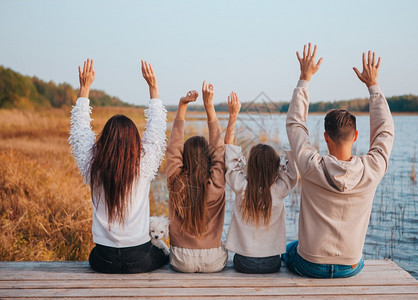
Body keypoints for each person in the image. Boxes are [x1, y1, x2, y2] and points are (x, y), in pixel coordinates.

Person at [283, 43, 394, 278]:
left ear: (325, 137)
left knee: (288, 249)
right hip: (351, 266)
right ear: (355, 136)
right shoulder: (372, 168)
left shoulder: (311, 165)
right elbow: (385, 131)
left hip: (309, 264)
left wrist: (305, 78)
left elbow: (295, 124)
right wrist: (373, 86)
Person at [69, 59, 169, 273]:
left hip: (103, 260)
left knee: (93, 256)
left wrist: (84, 89)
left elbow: (80, 131)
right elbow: (157, 130)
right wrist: (153, 88)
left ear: (104, 140)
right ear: (135, 142)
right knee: (164, 253)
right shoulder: (143, 164)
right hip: (139, 259)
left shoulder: (93, 165)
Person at [224, 92, 298, 274]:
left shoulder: (241, 186)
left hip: (243, 262)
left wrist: (233, 116)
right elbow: (293, 162)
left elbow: (229, 151)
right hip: (271, 263)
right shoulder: (280, 189)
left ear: (250, 165)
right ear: (275, 167)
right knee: (293, 247)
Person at [166, 81, 227, 273]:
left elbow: (173, 150)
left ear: (184, 159)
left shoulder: (177, 183)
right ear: (208, 161)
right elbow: (219, 150)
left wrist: (182, 107)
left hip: (181, 260)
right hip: (213, 260)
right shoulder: (216, 184)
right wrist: (210, 107)